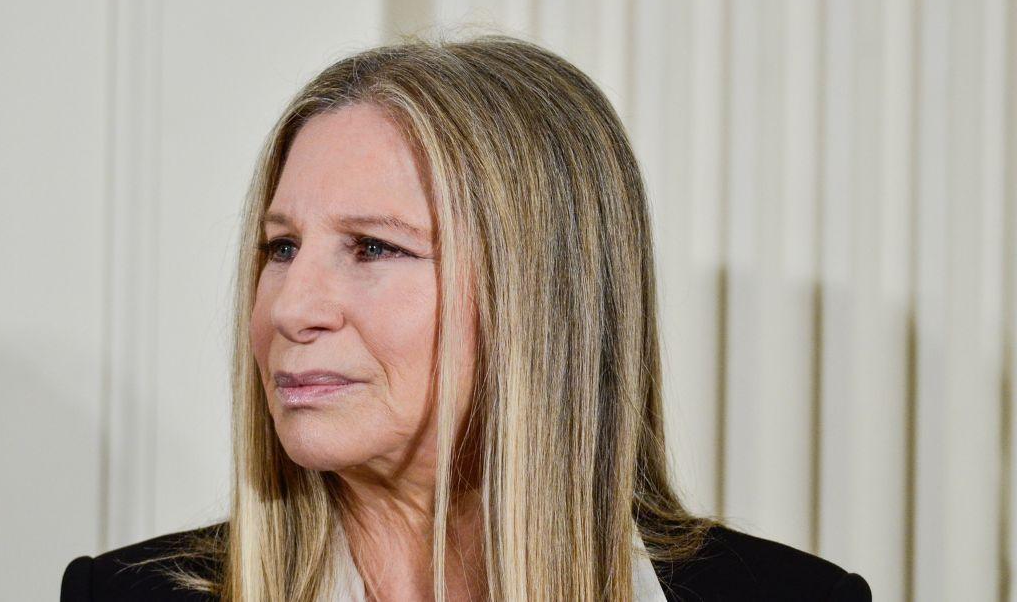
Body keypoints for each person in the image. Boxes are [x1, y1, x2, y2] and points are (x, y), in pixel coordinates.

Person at [61, 35, 872, 601]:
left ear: (540, 296)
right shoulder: (124, 596)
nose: (291, 308)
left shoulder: (793, 598)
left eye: (374, 248)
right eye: (279, 248)